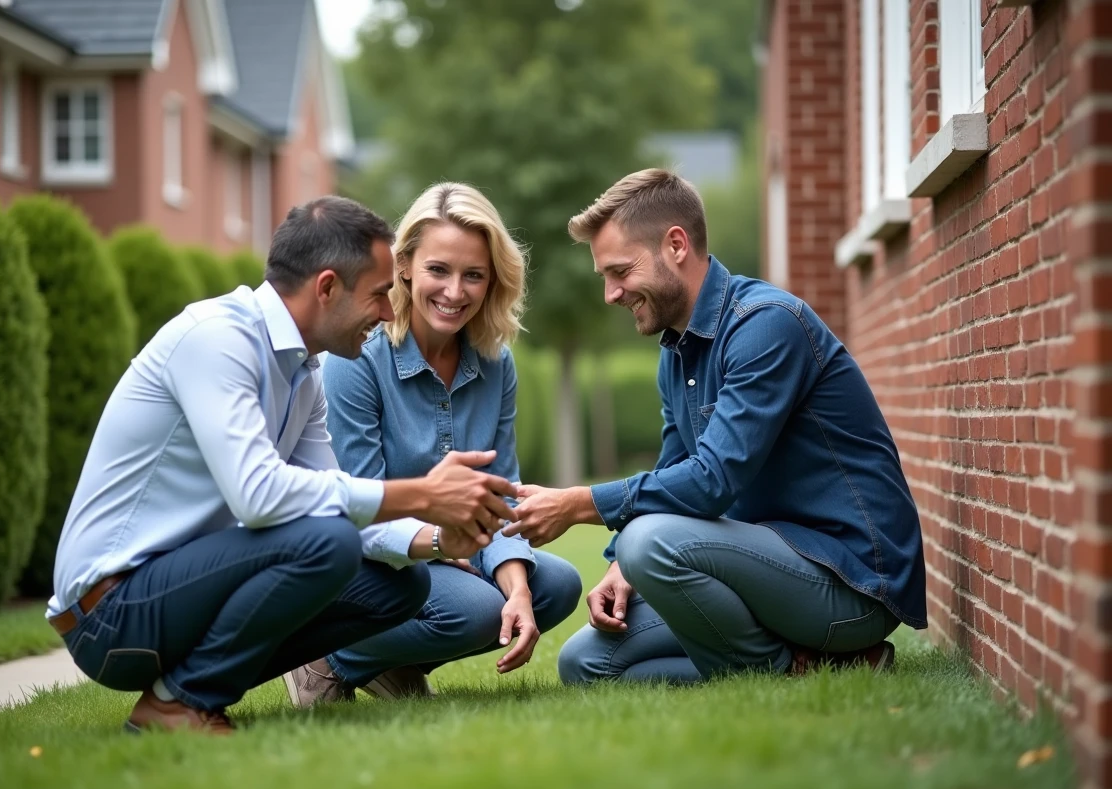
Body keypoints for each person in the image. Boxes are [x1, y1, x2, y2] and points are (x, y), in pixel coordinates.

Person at [47, 197, 519, 734]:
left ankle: (185, 693)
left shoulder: (303, 372)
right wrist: (421, 495)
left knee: (401, 588)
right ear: (326, 288)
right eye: (378, 295)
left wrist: (436, 542)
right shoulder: (217, 340)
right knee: (328, 541)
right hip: (110, 614)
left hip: (180, 594)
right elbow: (259, 496)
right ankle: (178, 703)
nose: (391, 312)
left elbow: (332, 490)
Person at [500, 168, 926, 684]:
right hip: (760, 568)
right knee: (587, 662)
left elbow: (712, 480)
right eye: (604, 278)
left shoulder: (766, 324)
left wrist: (579, 504)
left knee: (647, 542)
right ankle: (809, 663)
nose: (611, 293)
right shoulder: (675, 354)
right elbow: (675, 468)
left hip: (848, 583)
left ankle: (788, 666)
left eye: (620, 271)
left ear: (676, 245)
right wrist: (618, 568)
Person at [282, 183, 582, 705]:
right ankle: (323, 660)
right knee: (474, 610)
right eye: (438, 270)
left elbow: (500, 497)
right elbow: (359, 505)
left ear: (493, 282)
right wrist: (439, 545)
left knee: (552, 586)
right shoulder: (357, 358)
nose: (454, 291)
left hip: (455, 547)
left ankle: (389, 662)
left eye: (474, 275)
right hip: (360, 559)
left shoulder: (495, 363)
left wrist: (516, 590)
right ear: (404, 267)